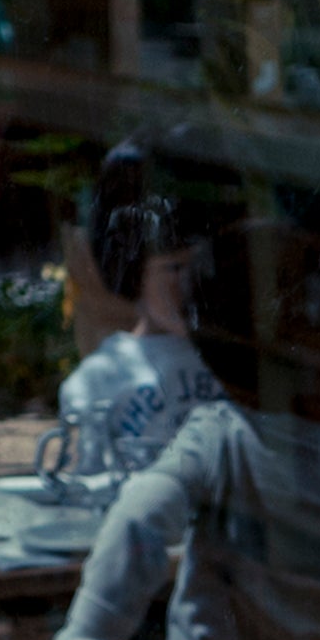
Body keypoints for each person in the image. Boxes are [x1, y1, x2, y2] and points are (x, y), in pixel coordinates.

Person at [56, 145, 229, 485]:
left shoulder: (229, 359)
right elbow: (89, 483)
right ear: (136, 275)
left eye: (197, 266)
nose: (188, 283)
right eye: (172, 268)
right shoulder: (99, 380)